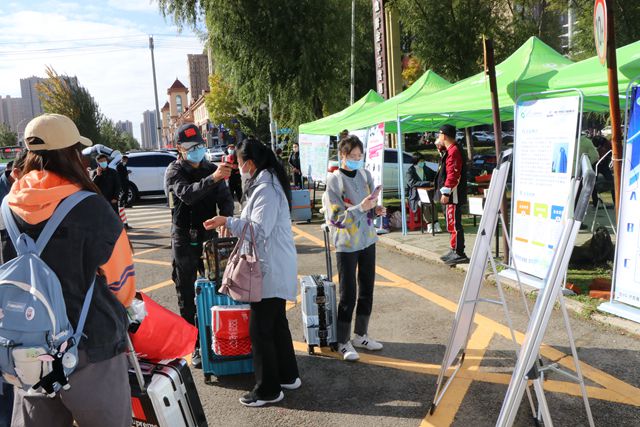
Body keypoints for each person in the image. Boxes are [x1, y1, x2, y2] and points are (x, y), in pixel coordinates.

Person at [0, 113, 135, 426]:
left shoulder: (7, 208)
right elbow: (122, 284)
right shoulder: (91, 207)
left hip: (28, 351)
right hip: (91, 348)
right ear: (72, 154)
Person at [203, 138, 299, 407]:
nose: (238, 168)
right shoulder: (265, 182)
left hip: (269, 267)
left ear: (251, 164)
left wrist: (228, 221)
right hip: (273, 263)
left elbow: (258, 230)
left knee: (260, 330)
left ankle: (268, 390)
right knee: (276, 323)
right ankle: (288, 376)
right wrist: (233, 223)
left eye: (239, 163)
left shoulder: (266, 188)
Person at [165, 123, 234, 367]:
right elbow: (188, 194)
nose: (196, 150)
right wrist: (213, 178)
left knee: (215, 287)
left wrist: (226, 218)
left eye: (199, 145)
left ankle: (216, 338)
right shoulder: (174, 171)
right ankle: (194, 345)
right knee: (186, 291)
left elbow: (226, 199)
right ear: (179, 149)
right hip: (184, 237)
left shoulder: (211, 168)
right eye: (190, 147)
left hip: (209, 237)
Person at [322, 135, 386, 362]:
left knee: (367, 289)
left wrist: (375, 210)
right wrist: (362, 207)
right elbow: (336, 218)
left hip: (368, 240)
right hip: (346, 244)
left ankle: (361, 335)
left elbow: (368, 209)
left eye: (360, 156)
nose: (357, 159)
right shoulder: (334, 180)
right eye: (353, 156)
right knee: (348, 293)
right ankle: (342, 341)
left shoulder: (365, 175)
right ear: (342, 155)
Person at [435, 124, 469, 265]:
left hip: (453, 194)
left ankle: (459, 252)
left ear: (444, 135)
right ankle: (454, 249)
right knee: (451, 223)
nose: (438, 138)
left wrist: (446, 191)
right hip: (451, 193)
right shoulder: (450, 150)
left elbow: (453, 174)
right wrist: (440, 149)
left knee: (454, 223)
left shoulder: (454, 151)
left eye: (439, 135)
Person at [406, 153, 440, 232]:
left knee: (432, 204)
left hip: (427, 193)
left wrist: (440, 173)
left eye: (423, 161)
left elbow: (434, 174)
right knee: (424, 205)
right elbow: (412, 183)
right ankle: (429, 224)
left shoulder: (425, 168)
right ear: (416, 161)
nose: (423, 163)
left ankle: (436, 223)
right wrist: (428, 183)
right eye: (421, 161)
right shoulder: (410, 171)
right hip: (416, 196)